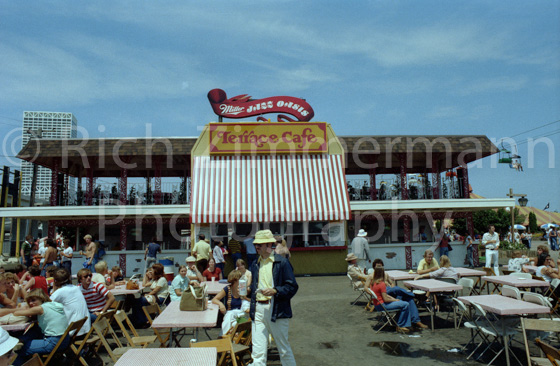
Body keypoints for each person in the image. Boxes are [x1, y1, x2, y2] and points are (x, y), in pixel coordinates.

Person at [249, 229, 298, 366]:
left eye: (259, 244)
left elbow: (292, 287)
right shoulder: (255, 263)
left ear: (268, 245)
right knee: (257, 353)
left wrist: (275, 291)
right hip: (258, 308)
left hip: (276, 308)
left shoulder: (281, 263)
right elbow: (254, 286)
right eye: (256, 244)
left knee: (283, 349)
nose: (256, 247)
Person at [10, 289, 70, 366]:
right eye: (29, 302)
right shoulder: (53, 304)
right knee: (36, 329)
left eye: (33, 300)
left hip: (53, 342)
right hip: (65, 340)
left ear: (41, 298)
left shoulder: (40, 308)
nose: (31, 303)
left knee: (20, 349)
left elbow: (16, 313)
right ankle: (21, 340)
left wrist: (24, 309)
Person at [367, 266, 423, 333]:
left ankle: (404, 323)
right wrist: (394, 300)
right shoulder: (381, 284)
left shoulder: (373, 283)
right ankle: (401, 325)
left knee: (402, 299)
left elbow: (384, 295)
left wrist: (393, 299)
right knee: (405, 304)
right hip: (382, 305)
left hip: (377, 305)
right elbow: (386, 299)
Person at [50, 268, 91, 337]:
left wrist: (54, 288)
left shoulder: (60, 292)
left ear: (55, 281)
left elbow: (46, 306)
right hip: (86, 328)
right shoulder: (75, 288)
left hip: (74, 332)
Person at [212, 269, 250, 335]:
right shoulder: (228, 289)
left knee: (230, 316)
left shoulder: (244, 289)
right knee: (231, 320)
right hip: (232, 319)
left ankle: (222, 336)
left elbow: (251, 302)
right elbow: (214, 299)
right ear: (235, 280)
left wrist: (245, 297)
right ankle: (225, 337)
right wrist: (220, 304)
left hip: (242, 316)